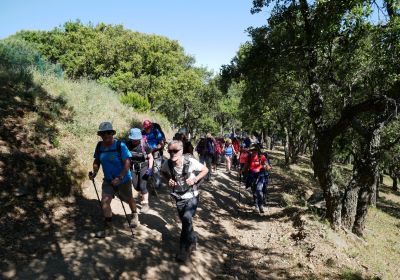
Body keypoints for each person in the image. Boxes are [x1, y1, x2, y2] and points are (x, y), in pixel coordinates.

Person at [161, 140, 208, 262]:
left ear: (181, 151)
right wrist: (168, 180)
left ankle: (183, 250)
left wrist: (195, 179)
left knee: (187, 218)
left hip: (192, 196)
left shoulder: (190, 161)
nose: (172, 153)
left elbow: (205, 170)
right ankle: (192, 240)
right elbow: (162, 172)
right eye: (170, 151)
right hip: (179, 197)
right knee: (186, 222)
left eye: (175, 151)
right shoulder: (167, 164)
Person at [89, 122, 139, 236]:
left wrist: (120, 177)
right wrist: (95, 172)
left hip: (124, 179)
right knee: (105, 202)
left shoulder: (120, 145)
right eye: (103, 133)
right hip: (108, 180)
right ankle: (109, 228)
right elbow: (97, 160)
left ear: (112, 133)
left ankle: (135, 215)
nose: (106, 135)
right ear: (100, 135)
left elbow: (127, 162)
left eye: (108, 132)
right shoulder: (99, 146)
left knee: (129, 199)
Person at [126, 128, 154, 213]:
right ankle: (142, 194)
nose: (134, 141)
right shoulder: (127, 145)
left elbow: (150, 157)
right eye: (133, 139)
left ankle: (145, 204)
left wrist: (149, 169)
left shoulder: (145, 145)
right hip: (133, 167)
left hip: (144, 166)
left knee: (142, 186)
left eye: (136, 139)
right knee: (136, 186)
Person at [244, 144, 271, 214]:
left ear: (257, 150)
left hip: (261, 176)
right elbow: (246, 165)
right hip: (252, 176)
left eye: (254, 151)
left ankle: (260, 205)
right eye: (252, 151)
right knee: (254, 192)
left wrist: (265, 166)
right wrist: (242, 170)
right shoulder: (249, 157)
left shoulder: (262, 157)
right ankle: (256, 206)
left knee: (259, 190)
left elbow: (268, 167)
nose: (253, 152)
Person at [142, 120, 165, 189]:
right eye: (146, 128)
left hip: (156, 154)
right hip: (147, 154)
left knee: (156, 170)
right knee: (147, 169)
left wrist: (153, 149)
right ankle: (148, 185)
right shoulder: (142, 133)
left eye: (149, 127)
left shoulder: (156, 131)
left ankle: (156, 186)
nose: (148, 129)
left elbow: (161, 144)